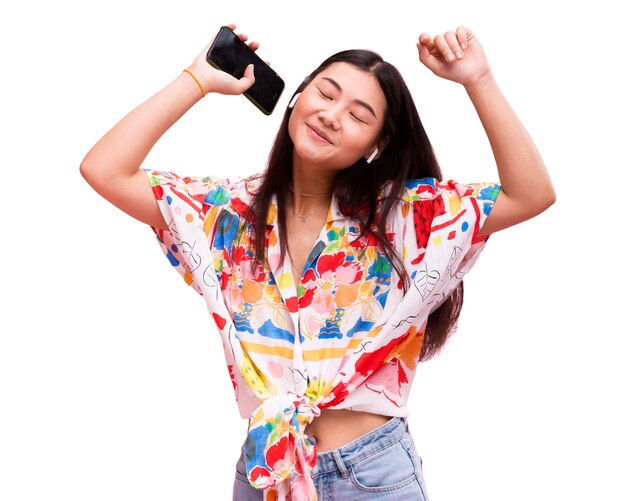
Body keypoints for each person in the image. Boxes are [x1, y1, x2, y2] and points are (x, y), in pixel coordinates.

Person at [80, 23, 555, 501]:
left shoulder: (409, 216)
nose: (331, 115)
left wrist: (480, 80)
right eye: (325, 94)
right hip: (267, 467)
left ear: (378, 144)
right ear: (298, 95)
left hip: (372, 475)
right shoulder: (227, 213)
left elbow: (531, 194)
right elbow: (105, 169)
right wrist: (198, 78)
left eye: (358, 115)